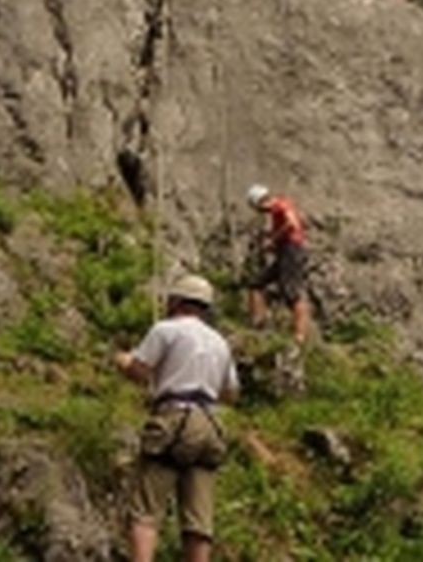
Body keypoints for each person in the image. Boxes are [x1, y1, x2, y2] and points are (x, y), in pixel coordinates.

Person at [116, 274, 238, 562]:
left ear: (175, 302)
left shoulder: (165, 330)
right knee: (198, 518)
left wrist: (123, 361)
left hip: (174, 417)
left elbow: (140, 371)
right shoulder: (220, 342)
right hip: (209, 423)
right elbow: (230, 392)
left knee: (145, 508)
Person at [245, 183, 311, 344]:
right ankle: (258, 322)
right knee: (256, 284)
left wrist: (274, 240)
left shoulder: (281, 205)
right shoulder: (280, 208)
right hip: (286, 251)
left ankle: (300, 335)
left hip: (291, 252)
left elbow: (292, 224)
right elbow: (301, 223)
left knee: (292, 292)